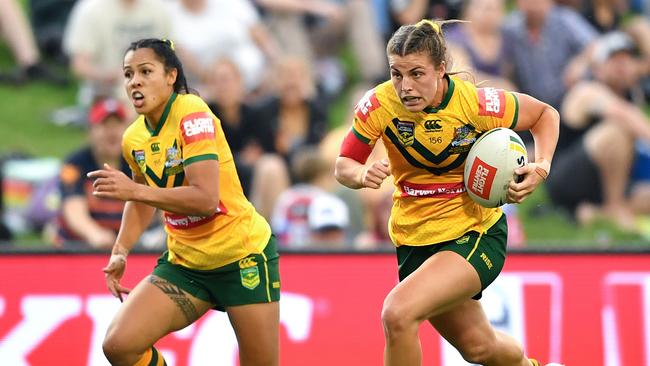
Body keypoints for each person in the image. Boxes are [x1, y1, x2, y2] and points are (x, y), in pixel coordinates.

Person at [334, 19, 560, 366]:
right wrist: (362, 173)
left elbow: (544, 115)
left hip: (475, 233)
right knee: (479, 347)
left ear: (441, 70)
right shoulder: (378, 105)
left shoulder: (475, 104)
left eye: (416, 74)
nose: (405, 86)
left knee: (397, 314)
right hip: (415, 239)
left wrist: (540, 167)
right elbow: (344, 165)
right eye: (396, 74)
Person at [88, 38, 280, 366]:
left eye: (145, 71)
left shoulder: (192, 112)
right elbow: (141, 198)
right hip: (186, 265)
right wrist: (120, 249)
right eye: (128, 74)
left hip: (241, 256)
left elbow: (205, 199)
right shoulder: (133, 137)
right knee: (119, 345)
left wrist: (135, 191)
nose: (134, 81)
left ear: (171, 76)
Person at [547, 31, 650, 232]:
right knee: (617, 131)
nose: (622, 65)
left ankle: (597, 213)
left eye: (627, 59)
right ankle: (615, 207)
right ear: (597, 68)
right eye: (614, 59)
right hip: (566, 178)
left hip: (603, 183)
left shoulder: (632, 96)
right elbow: (624, 115)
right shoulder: (587, 90)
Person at [49, 98, 132, 249]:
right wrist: (95, 234)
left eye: (118, 125)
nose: (112, 132)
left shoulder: (137, 164)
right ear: (90, 132)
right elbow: (72, 208)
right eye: (105, 125)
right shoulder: (75, 164)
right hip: (80, 247)